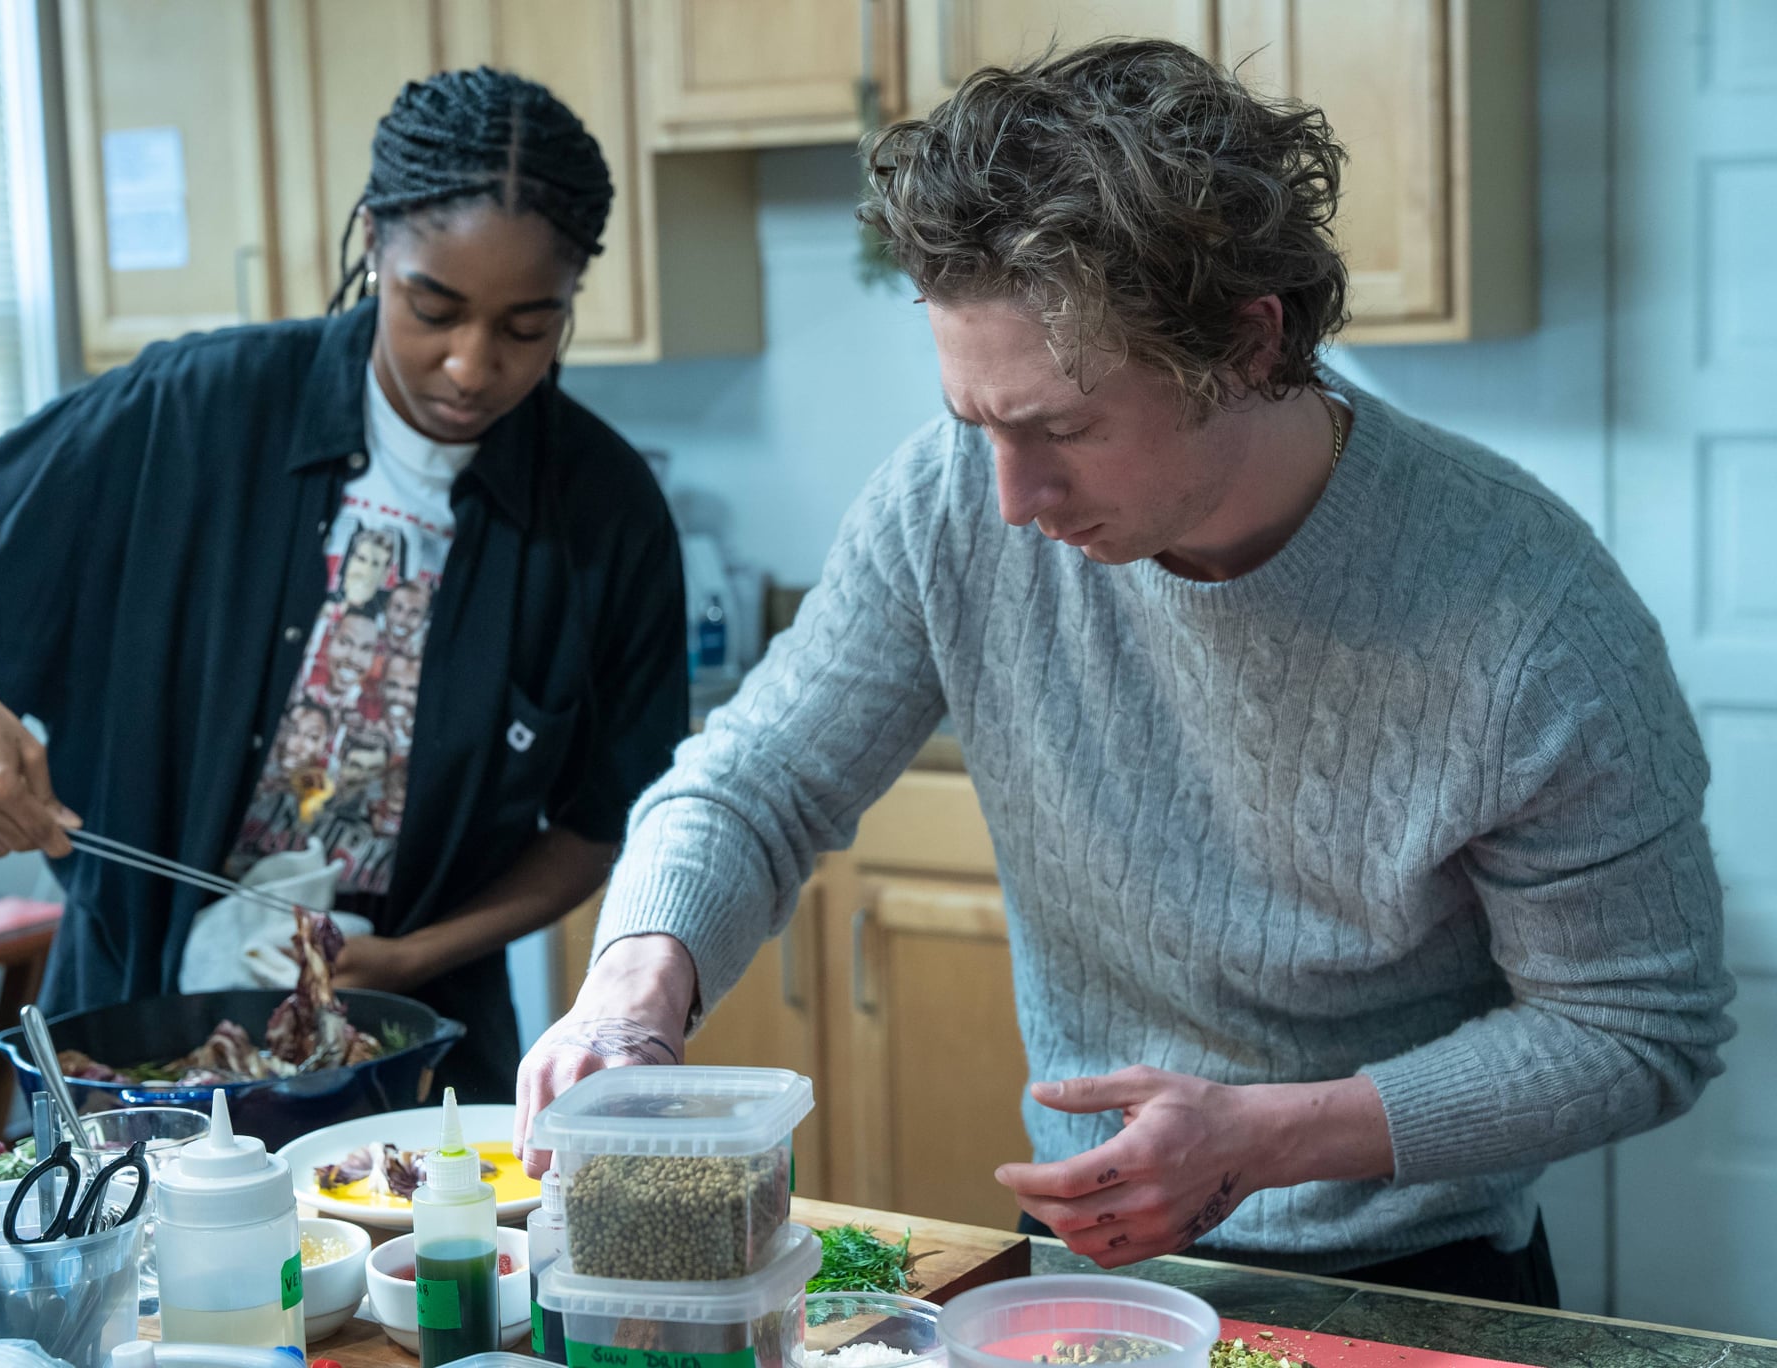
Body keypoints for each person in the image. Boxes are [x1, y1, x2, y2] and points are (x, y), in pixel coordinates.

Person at [516, 40, 1735, 1304]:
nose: (1008, 497)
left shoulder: (1530, 618)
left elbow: (1633, 1029)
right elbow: (754, 780)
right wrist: (632, 982)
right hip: (1094, 1272)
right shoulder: (949, 508)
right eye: (974, 423)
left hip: (1416, 1283)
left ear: (1250, 347)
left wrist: (1268, 1139)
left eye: (1061, 429)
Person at [0, 68, 687, 1103]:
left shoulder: (602, 511)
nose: (469, 366)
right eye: (431, 308)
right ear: (372, 241)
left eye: (528, 328)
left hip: (421, 1059)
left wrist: (411, 956)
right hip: (129, 1057)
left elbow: (600, 822)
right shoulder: (192, 413)